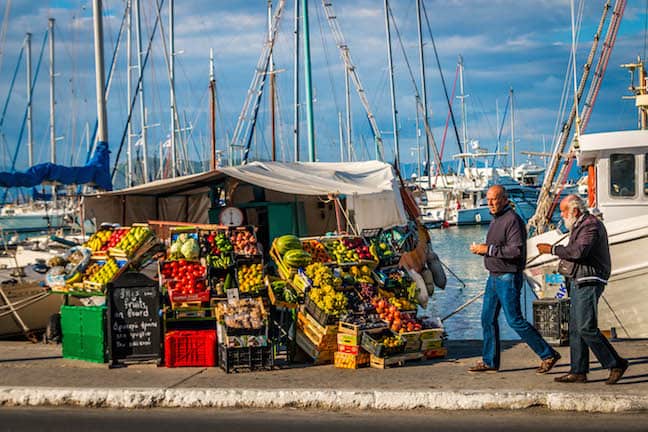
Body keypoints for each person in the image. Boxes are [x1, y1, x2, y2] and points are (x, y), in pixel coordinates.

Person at [468, 185, 561, 374]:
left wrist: (488, 250)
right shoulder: (496, 220)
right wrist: (484, 251)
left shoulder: (512, 220)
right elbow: (499, 248)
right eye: (488, 200)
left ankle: (548, 354)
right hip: (493, 277)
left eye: (494, 199)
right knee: (487, 319)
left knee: (514, 320)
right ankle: (490, 361)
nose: (491, 203)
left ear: (504, 199)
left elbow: (516, 251)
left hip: (507, 277)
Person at [537, 194, 628, 384]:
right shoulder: (580, 225)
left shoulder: (590, 226)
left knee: (586, 327)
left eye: (563, 211)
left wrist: (552, 250)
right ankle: (578, 371)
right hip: (579, 279)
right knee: (576, 329)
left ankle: (615, 363)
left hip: (589, 279)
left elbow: (579, 252)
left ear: (574, 211)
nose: (561, 216)